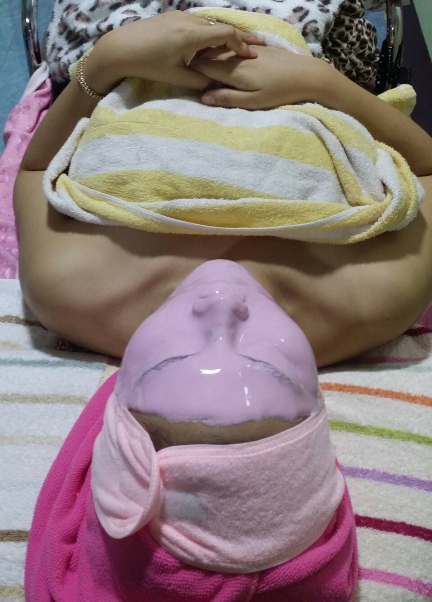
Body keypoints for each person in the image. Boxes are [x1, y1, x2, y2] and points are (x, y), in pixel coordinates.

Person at [13, 10, 432, 367]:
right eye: (250, 353)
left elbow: (36, 169)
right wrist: (323, 82)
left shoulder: (72, 291)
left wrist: (108, 58)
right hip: (292, 52)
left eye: (189, 353)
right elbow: (426, 172)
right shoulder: (368, 302)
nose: (223, 315)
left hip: (139, 54)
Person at [25, 260, 359, 601]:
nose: (222, 304)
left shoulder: (63, 285)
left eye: (172, 359)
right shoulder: (365, 298)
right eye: (268, 364)